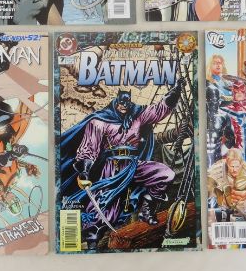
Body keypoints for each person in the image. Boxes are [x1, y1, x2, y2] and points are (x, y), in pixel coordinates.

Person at [59, 82, 184, 248]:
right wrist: (85, 170)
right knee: (106, 205)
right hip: (111, 168)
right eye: (121, 103)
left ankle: (146, 209)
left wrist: (173, 94)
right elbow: (90, 147)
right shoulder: (99, 121)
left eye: (127, 103)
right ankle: (92, 236)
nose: (124, 106)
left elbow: (157, 111)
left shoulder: (137, 116)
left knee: (165, 174)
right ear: (116, 102)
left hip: (132, 165)